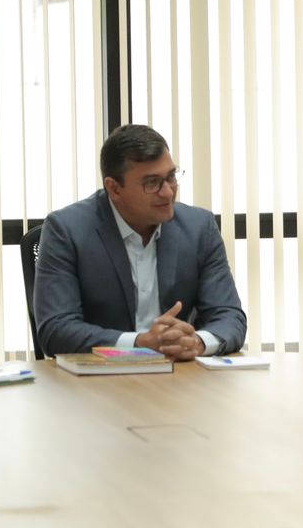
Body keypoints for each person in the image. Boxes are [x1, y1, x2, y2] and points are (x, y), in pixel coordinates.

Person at [34, 124, 247, 359]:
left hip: (179, 379)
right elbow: (56, 330)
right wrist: (139, 343)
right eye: (152, 183)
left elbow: (230, 316)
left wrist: (197, 342)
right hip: (98, 381)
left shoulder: (199, 228)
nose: (167, 192)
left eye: (171, 177)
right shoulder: (66, 230)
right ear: (114, 189)